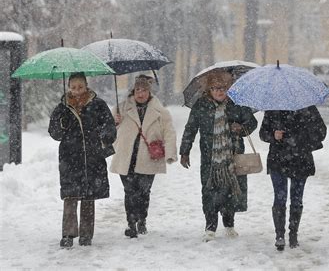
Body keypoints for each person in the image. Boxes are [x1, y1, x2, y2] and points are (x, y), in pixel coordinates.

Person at [179, 70, 258, 242]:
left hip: (233, 154)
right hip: (210, 157)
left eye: (222, 88)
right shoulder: (201, 105)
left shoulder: (238, 104)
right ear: (209, 90)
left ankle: (229, 224)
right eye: (214, 88)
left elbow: (252, 123)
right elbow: (190, 128)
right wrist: (185, 151)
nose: (219, 91)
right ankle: (210, 227)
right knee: (209, 190)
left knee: (231, 189)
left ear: (228, 88)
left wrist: (241, 127)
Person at [48, 72, 117, 248]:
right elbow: (54, 134)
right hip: (69, 158)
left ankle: (86, 235)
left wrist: (105, 134)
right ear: (68, 87)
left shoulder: (98, 105)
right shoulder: (62, 108)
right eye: (73, 87)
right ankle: (68, 234)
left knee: (88, 196)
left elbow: (109, 128)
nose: (77, 91)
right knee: (70, 196)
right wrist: (61, 124)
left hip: (92, 157)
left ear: (86, 86)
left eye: (80, 87)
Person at [110, 74, 177, 238]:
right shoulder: (122, 108)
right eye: (138, 90)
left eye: (144, 90)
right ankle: (131, 224)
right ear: (133, 91)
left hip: (147, 157)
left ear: (150, 92)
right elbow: (107, 127)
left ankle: (142, 220)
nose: (141, 94)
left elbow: (169, 133)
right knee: (129, 191)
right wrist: (115, 121)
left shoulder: (161, 111)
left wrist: (170, 153)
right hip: (126, 156)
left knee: (143, 192)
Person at [259, 105, 327, 251]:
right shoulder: (273, 108)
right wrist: (273, 135)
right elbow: (263, 133)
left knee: (296, 199)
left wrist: (302, 136)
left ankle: (293, 233)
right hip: (278, 160)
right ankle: (280, 235)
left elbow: (321, 132)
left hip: (300, 160)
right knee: (280, 197)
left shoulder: (309, 108)